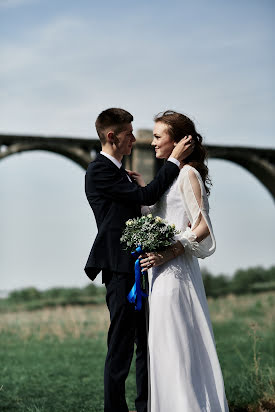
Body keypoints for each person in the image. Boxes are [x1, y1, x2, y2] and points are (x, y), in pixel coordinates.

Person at [84, 108, 194, 412]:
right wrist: (173, 162)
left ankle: (146, 406)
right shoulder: (99, 170)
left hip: (142, 266)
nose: (135, 139)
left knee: (146, 344)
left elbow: (139, 200)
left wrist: (134, 184)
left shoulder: (119, 173)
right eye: (129, 133)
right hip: (120, 270)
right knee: (120, 348)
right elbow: (146, 199)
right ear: (111, 136)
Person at [135, 111, 229, 412]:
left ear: (176, 141)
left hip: (176, 272)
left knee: (177, 345)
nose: (151, 142)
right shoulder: (170, 175)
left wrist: (170, 251)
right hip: (159, 273)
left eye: (158, 136)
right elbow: (163, 215)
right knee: (163, 346)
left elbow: (202, 227)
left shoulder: (188, 174)